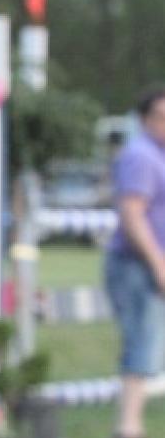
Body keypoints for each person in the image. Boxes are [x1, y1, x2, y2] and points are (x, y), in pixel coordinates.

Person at [105, 86, 165, 438]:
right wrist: (158, 264)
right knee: (141, 345)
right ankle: (129, 427)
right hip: (137, 265)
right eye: (160, 117)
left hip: (147, 264)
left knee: (147, 346)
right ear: (144, 119)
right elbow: (132, 214)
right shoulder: (142, 156)